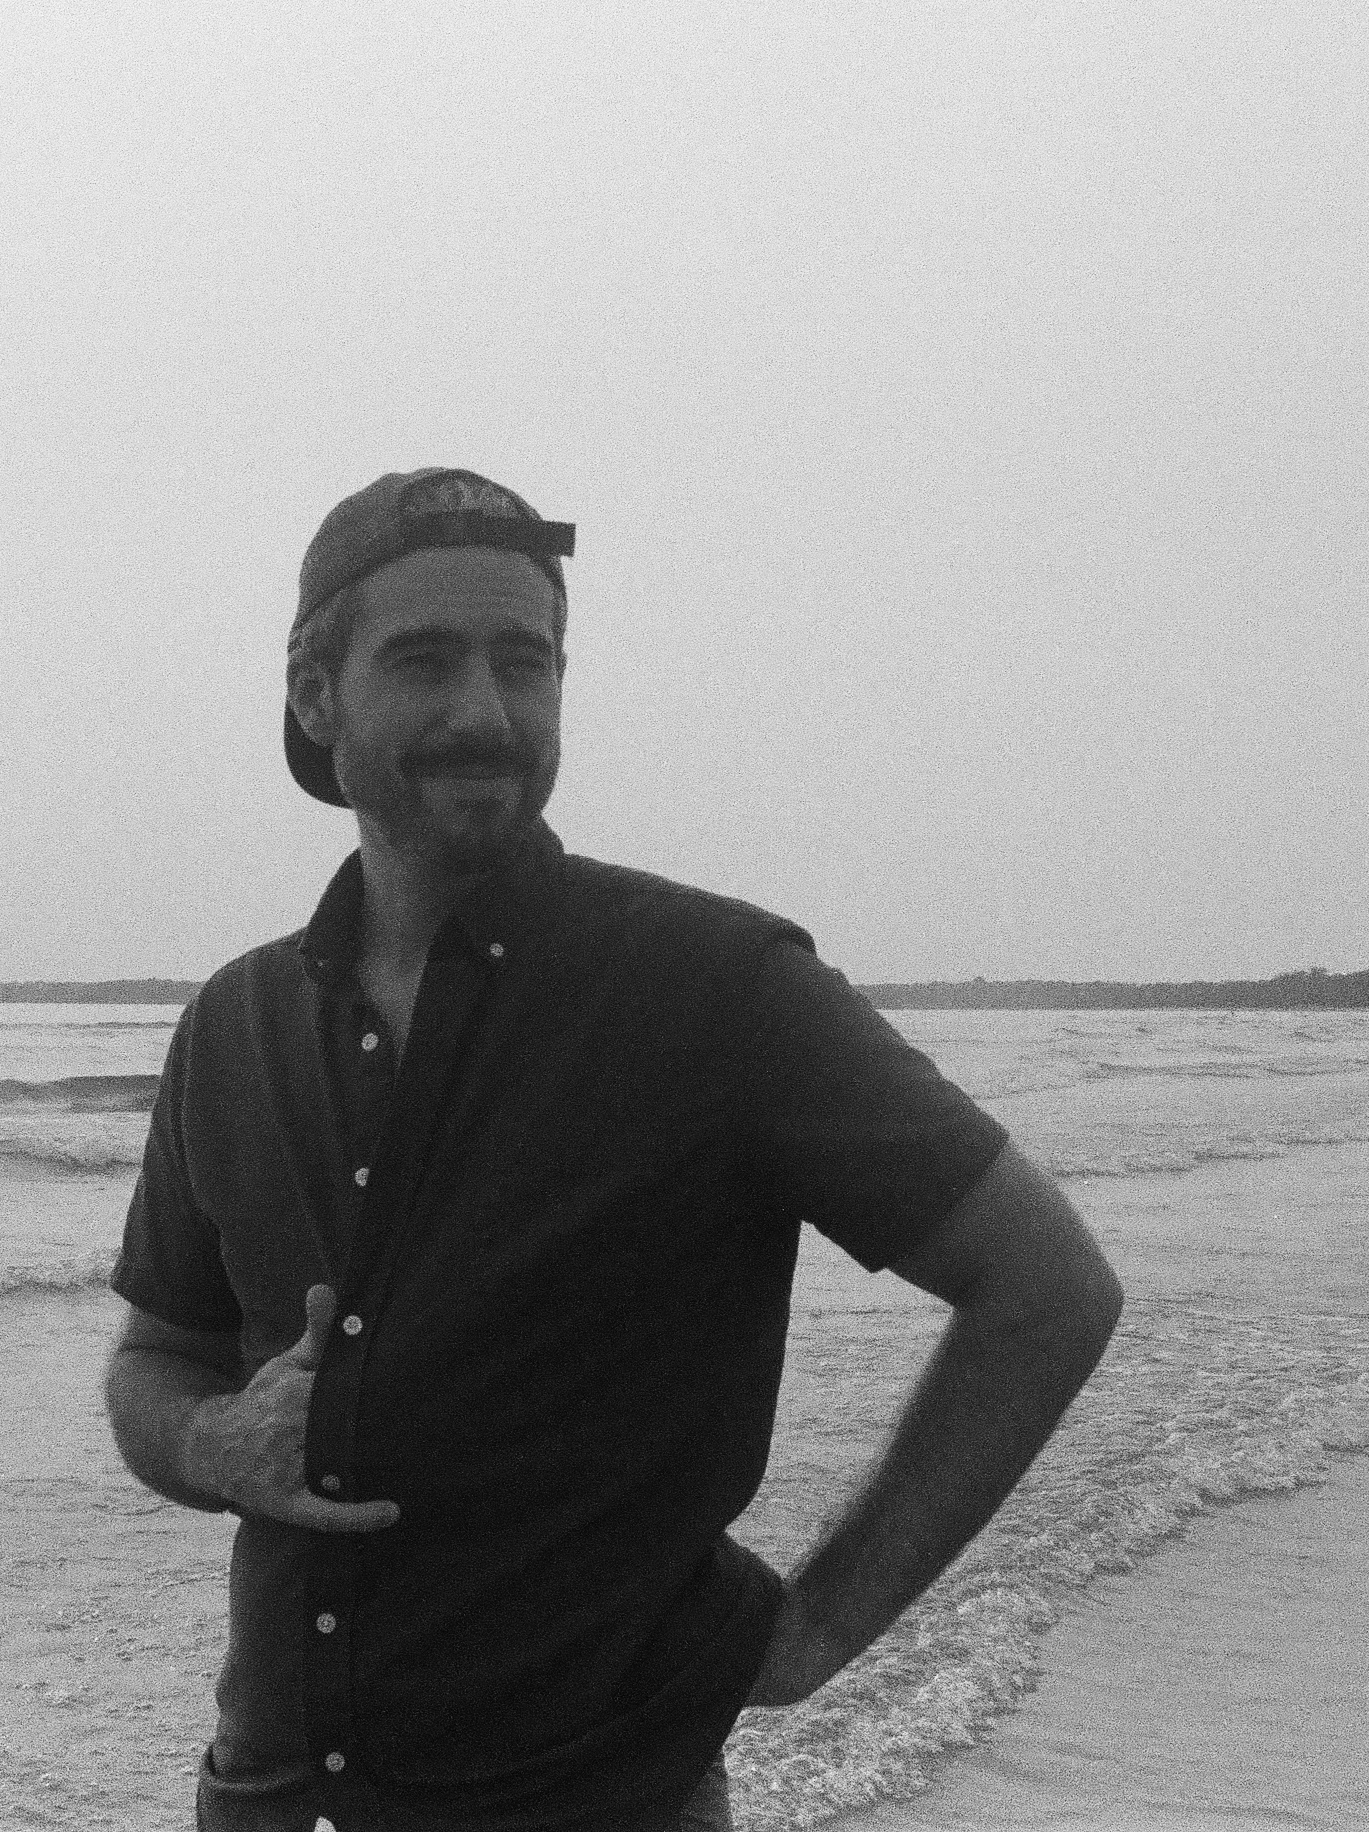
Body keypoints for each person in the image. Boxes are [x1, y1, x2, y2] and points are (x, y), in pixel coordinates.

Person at [105, 469, 1121, 1832]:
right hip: (266, 1796)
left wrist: (818, 1628)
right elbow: (153, 1357)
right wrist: (212, 1442)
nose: (485, 711)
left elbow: (1046, 1288)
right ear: (314, 694)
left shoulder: (716, 989)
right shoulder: (233, 1026)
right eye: (425, 660)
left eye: (524, 663)